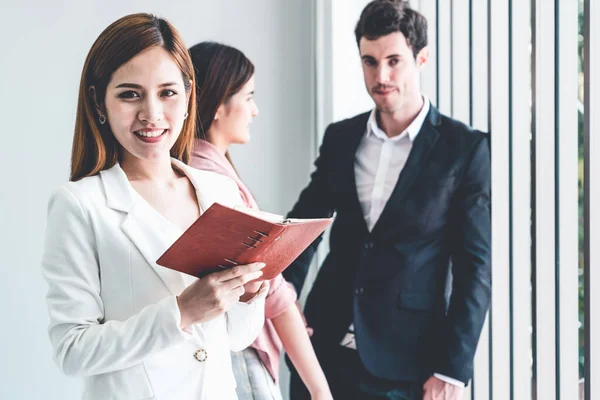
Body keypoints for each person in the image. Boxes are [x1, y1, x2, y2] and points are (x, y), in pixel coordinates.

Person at [41, 14, 270, 400]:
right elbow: (72, 351)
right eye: (130, 94)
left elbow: (234, 338)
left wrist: (246, 296)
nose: (152, 114)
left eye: (167, 92)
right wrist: (180, 312)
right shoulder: (80, 205)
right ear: (100, 101)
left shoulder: (219, 191)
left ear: (188, 96)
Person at [282, 1, 492, 399]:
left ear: (421, 58)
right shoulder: (341, 138)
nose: (381, 76)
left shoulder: (463, 149)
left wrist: (452, 369)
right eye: (370, 61)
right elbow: (302, 226)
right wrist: (285, 296)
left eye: (394, 61)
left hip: (408, 363)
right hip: (322, 350)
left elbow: (475, 266)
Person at [187, 41, 332, 400]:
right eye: (248, 97)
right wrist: (319, 390)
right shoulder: (213, 184)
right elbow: (274, 294)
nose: (255, 110)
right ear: (219, 105)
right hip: (239, 360)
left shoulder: (189, 172)